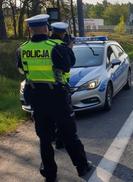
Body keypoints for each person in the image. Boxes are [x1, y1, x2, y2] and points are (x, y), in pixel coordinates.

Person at [16, 14, 92, 182]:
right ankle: (82, 166)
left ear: (30, 29)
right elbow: (67, 66)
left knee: (44, 138)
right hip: (57, 97)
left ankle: (50, 174)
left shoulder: (22, 48)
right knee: (69, 135)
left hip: (37, 98)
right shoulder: (56, 46)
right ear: (46, 28)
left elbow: (22, 70)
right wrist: (68, 49)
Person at [50, 22, 74, 150]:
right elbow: (68, 66)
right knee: (64, 118)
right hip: (59, 87)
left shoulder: (33, 47)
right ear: (63, 33)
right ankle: (60, 141)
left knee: (49, 118)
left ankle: (52, 140)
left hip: (38, 89)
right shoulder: (61, 47)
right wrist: (69, 48)